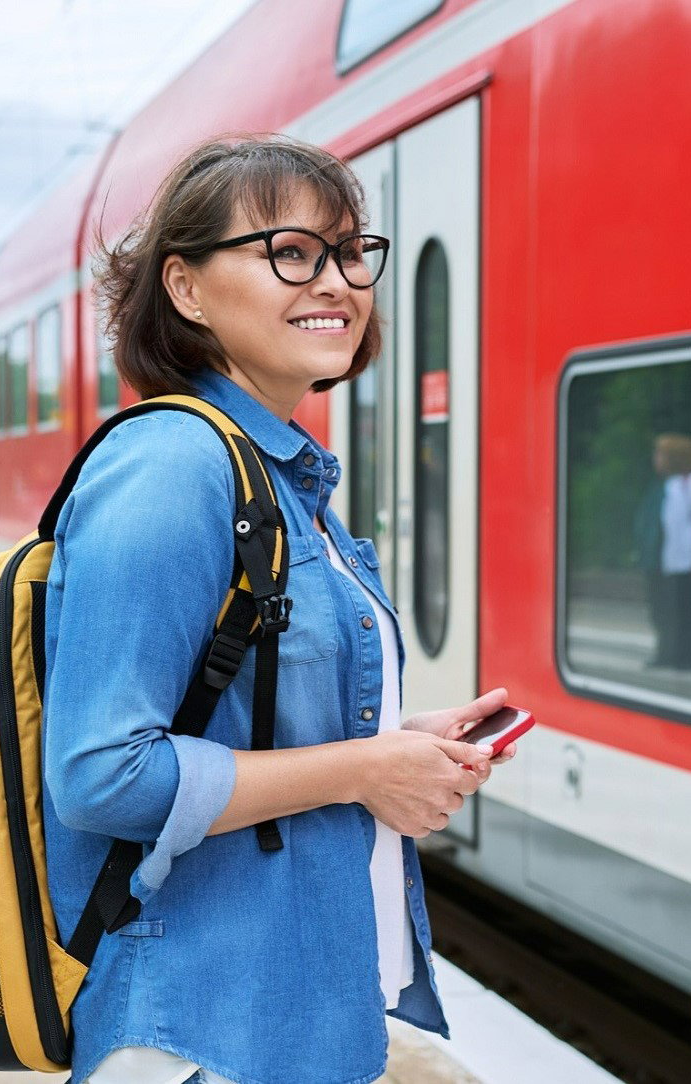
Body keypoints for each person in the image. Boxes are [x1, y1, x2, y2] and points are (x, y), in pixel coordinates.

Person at [43, 135, 518, 1084]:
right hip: (198, 1032)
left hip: (288, 1014)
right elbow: (100, 774)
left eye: (348, 252)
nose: (335, 281)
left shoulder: (278, 474)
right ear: (185, 287)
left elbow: (242, 710)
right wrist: (363, 769)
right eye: (289, 252)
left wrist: (395, 742)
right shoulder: (172, 466)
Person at [643, 433, 691, 670]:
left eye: (660, 454)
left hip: (688, 558)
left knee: (686, 607)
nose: (656, 459)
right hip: (667, 558)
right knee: (665, 608)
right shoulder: (668, 484)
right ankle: (667, 652)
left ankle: (687, 656)